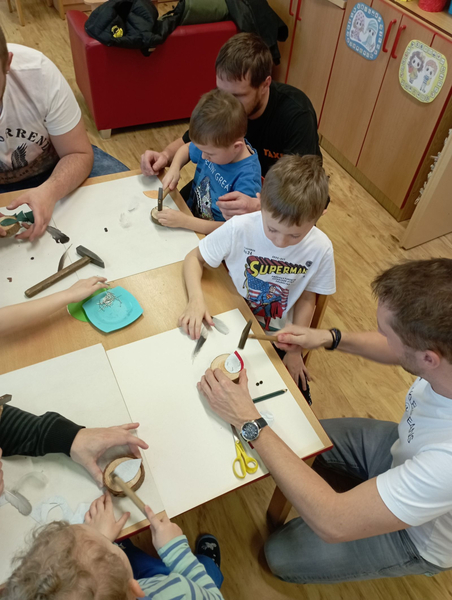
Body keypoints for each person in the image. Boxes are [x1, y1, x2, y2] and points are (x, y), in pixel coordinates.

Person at [197, 258, 452, 584]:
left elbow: (334, 521)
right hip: (403, 447)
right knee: (302, 439)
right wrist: (328, 337)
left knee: (280, 555)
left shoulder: (445, 463)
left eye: (385, 334)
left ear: (429, 359)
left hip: (419, 535)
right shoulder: (442, 354)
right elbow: (403, 349)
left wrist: (248, 420)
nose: (380, 337)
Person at [180, 155, 335, 393]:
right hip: (228, 318)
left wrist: (295, 351)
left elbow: (307, 297)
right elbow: (194, 258)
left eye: (295, 235)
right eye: (272, 229)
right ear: (260, 202)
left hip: (274, 336)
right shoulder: (241, 226)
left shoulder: (321, 248)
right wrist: (195, 300)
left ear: (320, 215)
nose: (280, 241)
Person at [141, 33, 320, 220]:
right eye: (221, 91)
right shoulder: (227, 98)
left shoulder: (297, 116)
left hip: (274, 206)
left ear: (265, 85)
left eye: (237, 96)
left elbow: (304, 193)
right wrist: (165, 156)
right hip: (215, 189)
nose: (227, 102)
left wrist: (258, 206)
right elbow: (192, 141)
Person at [0, 26, 128, 241]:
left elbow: (77, 153)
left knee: (128, 198)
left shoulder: (38, 73)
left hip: (55, 166)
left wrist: (50, 191)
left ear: (7, 63)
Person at [4, 492, 224, 599]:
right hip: (183, 587)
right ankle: (210, 564)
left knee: (140, 564)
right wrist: (177, 553)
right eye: (111, 547)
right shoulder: (177, 591)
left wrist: (98, 541)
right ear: (135, 590)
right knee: (206, 573)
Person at [157, 89, 261, 235]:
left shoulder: (247, 179)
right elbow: (186, 148)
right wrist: (175, 168)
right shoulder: (215, 144)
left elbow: (232, 229)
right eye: (201, 150)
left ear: (236, 147)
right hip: (191, 216)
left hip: (213, 237)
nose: (203, 156)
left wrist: (185, 222)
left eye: (210, 154)